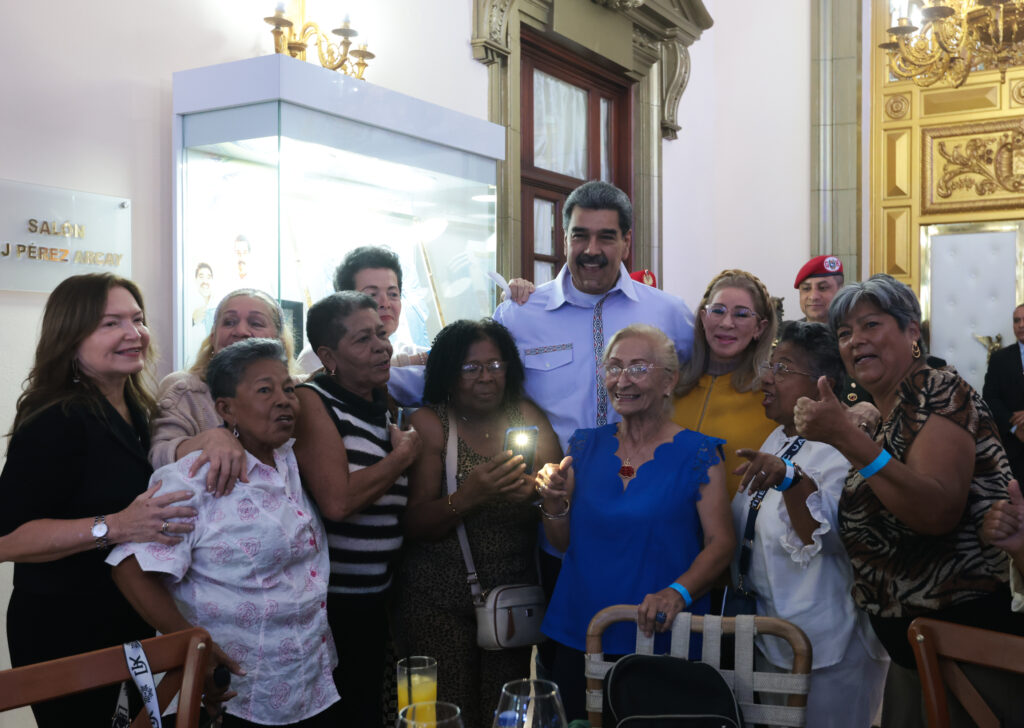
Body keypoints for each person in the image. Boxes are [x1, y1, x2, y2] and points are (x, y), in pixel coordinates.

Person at [794, 273, 1024, 726]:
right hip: (915, 658)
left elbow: (936, 512)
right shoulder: (888, 415)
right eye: (845, 333)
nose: (856, 340)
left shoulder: (937, 388)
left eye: (871, 325)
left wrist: (844, 438)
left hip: (970, 654)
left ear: (912, 332)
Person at [493, 180, 695, 622]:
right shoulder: (521, 314)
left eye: (606, 237)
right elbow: (478, 380)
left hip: (650, 515)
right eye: (580, 235)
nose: (591, 250)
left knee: (644, 643)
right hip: (557, 514)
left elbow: (705, 378)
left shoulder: (668, 312)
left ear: (627, 242)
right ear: (563, 239)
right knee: (565, 646)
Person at [110, 338, 340, 727]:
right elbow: (128, 566)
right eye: (265, 390)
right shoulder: (194, 478)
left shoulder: (291, 462)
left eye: (288, 389)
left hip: (308, 679)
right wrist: (196, 646)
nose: (284, 400)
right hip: (234, 695)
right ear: (226, 409)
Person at [0, 273, 195, 727]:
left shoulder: (139, 410)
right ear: (71, 338)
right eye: (111, 323)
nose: (134, 333)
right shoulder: (56, 420)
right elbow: (6, 538)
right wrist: (117, 525)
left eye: (138, 319)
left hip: (126, 619)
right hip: (65, 628)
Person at [535, 324, 734, 721]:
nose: (622, 380)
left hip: (661, 636)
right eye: (614, 367)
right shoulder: (583, 445)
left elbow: (721, 543)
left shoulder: (700, 453)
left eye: (639, 368)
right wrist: (553, 503)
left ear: (669, 381)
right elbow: (563, 542)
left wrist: (676, 593)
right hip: (579, 630)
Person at [396, 319, 561, 727]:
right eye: (470, 368)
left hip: (511, 600)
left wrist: (537, 492)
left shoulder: (525, 415)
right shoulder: (431, 423)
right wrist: (470, 496)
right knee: (441, 714)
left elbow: (558, 487)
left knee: (504, 713)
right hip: (436, 602)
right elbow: (414, 523)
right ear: (448, 373)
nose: (486, 377)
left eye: (495, 365)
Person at [730, 321, 887, 727]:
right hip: (773, 634)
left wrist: (790, 480)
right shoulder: (780, 437)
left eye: (783, 369)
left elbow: (829, 536)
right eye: (770, 365)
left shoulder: (844, 445)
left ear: (824, 385)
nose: (767, 377)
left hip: (828, 645)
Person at [293, 291, 422, 727]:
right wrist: (401, 458)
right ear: (328, 356)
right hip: (331, 609)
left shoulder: (380, 406)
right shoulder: (314, 401)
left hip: (374, 602)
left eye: (382, 334)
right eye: (363, 339)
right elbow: (338, 501)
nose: (381, 347)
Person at [150, 288, 295, 493]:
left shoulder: (298, 392)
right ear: (213, 336)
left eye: (255, 323)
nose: (241, 331)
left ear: (280, 341)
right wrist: (209, 439)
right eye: (229, 322)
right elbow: (158, 457)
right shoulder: (185, 389)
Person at [672, 269, 778, 499]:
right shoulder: (672, 386)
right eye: (718, 311)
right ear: (703, 318)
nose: (727, 323)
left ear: (759, 327)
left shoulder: (773, 393)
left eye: (741, 314)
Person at [298, 246, 428, 405]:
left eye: (393, 294)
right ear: (344, 300)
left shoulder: (405, 349)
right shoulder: (320, 354)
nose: (385, 303)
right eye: (371, 295)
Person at [983, 303, 1024, 482]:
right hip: (1012, 446)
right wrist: (1015, 427)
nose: (1021, 325)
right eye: (1016, 320)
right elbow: (990, 398)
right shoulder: (999, 359)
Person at [794, 254, 844, 324]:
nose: (813, 297)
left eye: (823, 288)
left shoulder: (854, 330)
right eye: (806, 288)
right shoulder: (788, 330)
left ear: (840, 291)